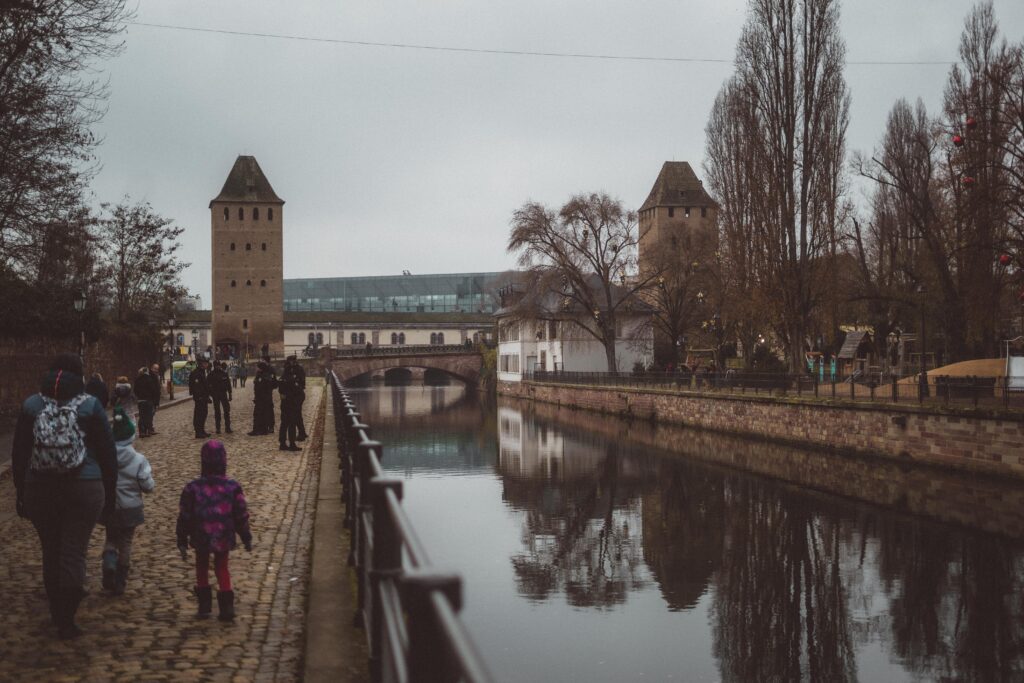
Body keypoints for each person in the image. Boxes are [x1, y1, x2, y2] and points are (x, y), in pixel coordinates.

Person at [11, 353, 117, 639]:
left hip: (39, 487)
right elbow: (108, 454)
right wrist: (110, 492)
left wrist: (21, 490)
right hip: (84, 485)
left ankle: (57, 610)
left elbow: (19, 452)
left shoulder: (32, 405)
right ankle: (67, 617)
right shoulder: (90, 405)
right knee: (73, 550)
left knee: (51, 549)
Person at [176, 440, 252, 621]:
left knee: (201, 565)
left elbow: (185, 515)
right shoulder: (232, 487)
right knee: (222, 566)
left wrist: (181, 537)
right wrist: (246, 536)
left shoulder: (193, 488)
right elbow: (240, 514)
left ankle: (204, 605)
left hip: (200, 533)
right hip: (223, 533)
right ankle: (226, 606)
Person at [100, 407, 155, 595]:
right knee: (126, 542)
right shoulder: (139, 460)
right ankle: (120, 580)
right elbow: (147, 485)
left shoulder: (106, 458)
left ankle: (108, 562)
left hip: (110, 506)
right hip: (131, 507)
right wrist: (148, 484)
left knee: (111, 538)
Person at [277, 356, 302, 451]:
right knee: (292, 424)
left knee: (284, 424)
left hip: (284, 404)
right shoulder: (291, 379)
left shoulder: (282, 378)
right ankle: (292, 443)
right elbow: (297, 391)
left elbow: (281, 392)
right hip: (292, 404)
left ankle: (282, 443)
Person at [249, 361, 277, 436]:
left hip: (264, 398)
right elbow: (256, 384)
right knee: (259, 414)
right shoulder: (259, 375)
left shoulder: (266, 376)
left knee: (262, 414)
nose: (256, 368)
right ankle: (258, 430)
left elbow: (267, 387)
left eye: (258, 367)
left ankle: (261, 430)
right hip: (259, 398)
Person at [188, 358, 212, 439]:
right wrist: (199, 397)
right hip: (200, 398)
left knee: (203, 414)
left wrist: (207, 395)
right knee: (199, 415)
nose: (207, 365)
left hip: (204, 398)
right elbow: (196, 387)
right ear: (201, 364)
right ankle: (198, 432)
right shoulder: (196, 373)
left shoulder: (202, 372)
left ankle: (202, 430)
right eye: (205, 363)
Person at [208, 361, 233, 435]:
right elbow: (208, 385)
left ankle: (227, 427)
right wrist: (210, 394)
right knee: (217, 412)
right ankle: (218, 428)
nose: (218, 367)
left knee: (226, 411)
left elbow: (228, 384)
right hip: (215, 395)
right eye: (216, 366)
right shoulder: (211, 374)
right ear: (214, 366)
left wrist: (230, 393)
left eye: (219, 365)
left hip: (223, 394)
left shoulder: (224, 373)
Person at [133, 367, 155, 437]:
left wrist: (139, 396)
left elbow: (135, 390)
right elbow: (152, 389)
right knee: (148, 416)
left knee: (141, 416)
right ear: (147, 371)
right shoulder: (149, 379)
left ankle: (142, 431)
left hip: (140, 400)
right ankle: (148, 430)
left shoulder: (137, 380)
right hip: (148, 399)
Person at [149, 363, 163, 434]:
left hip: (155, 399)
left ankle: (151, 428)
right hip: (152, 399)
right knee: (150, 414)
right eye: (155, 368)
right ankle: (150, 428)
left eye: (157, 369)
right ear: (151, 368)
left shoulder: (156, 376)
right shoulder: (151, 376)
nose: (156, 370)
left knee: (152, 414)